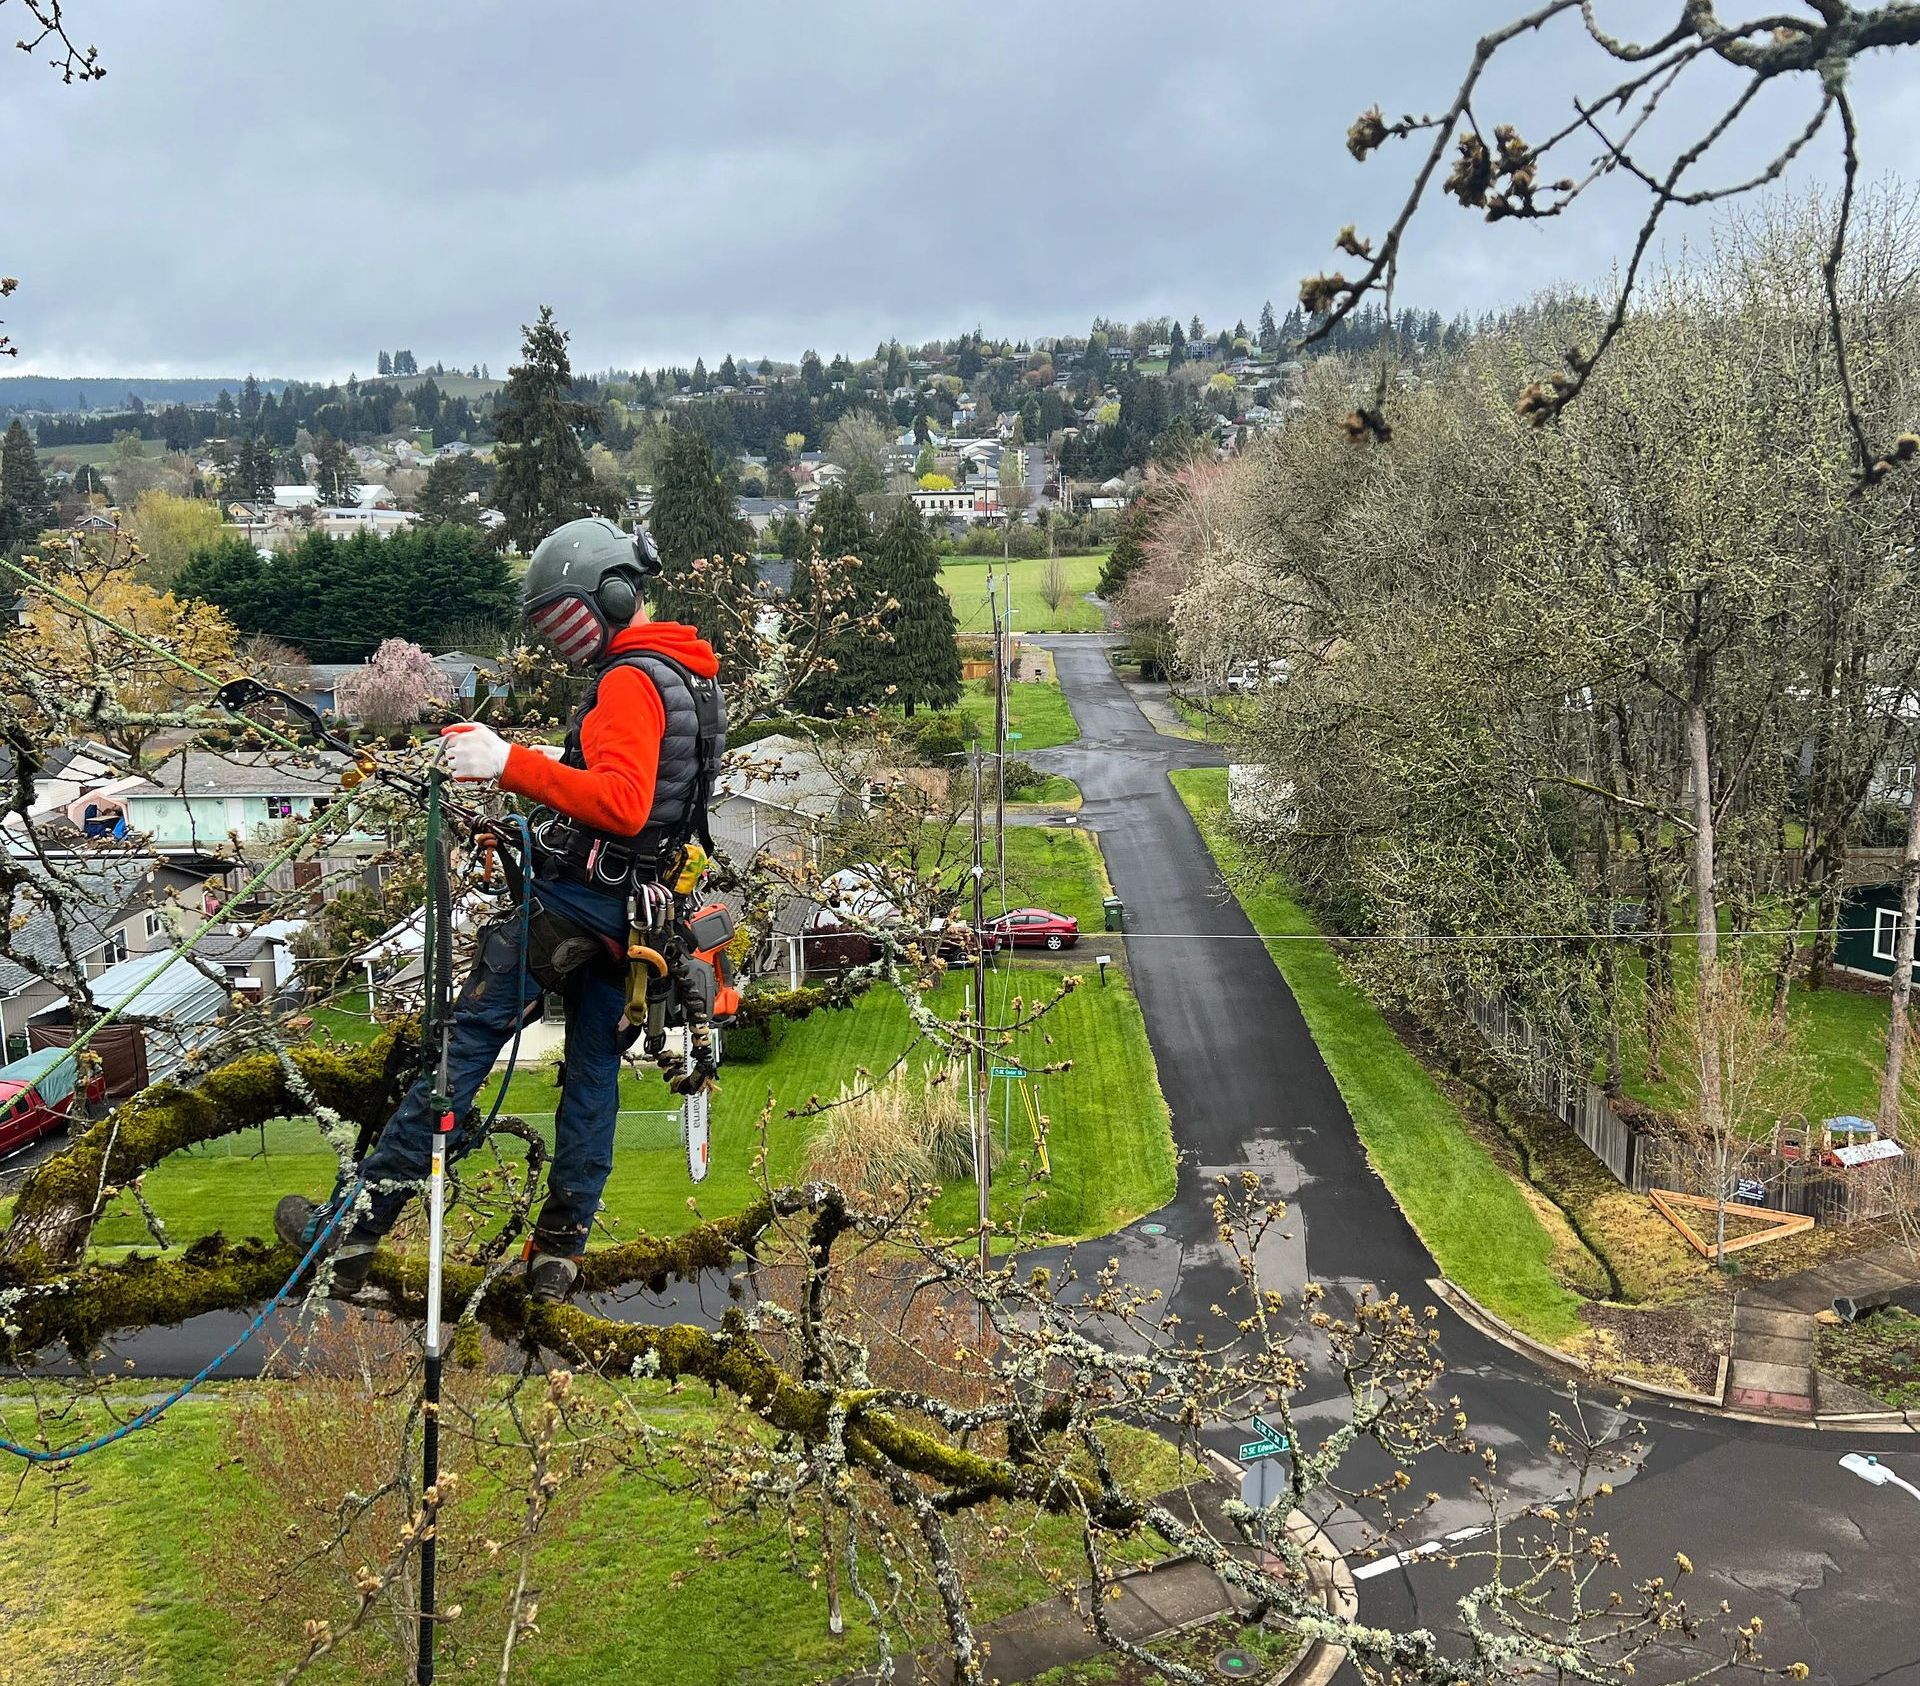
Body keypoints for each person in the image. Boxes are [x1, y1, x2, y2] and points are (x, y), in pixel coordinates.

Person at [275, 517, 725, 1302]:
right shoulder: (686, 674)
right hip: (639, 914)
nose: (563, 641)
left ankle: (352, 1233)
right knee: (592, 1075)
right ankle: (559, 1251)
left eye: (569, 618)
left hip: (572, 903)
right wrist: (546, 762)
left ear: (614, 596)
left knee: (461, 1050)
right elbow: (649, 787)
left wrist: (510, 764)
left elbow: (621, 803)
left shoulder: (626, 679)